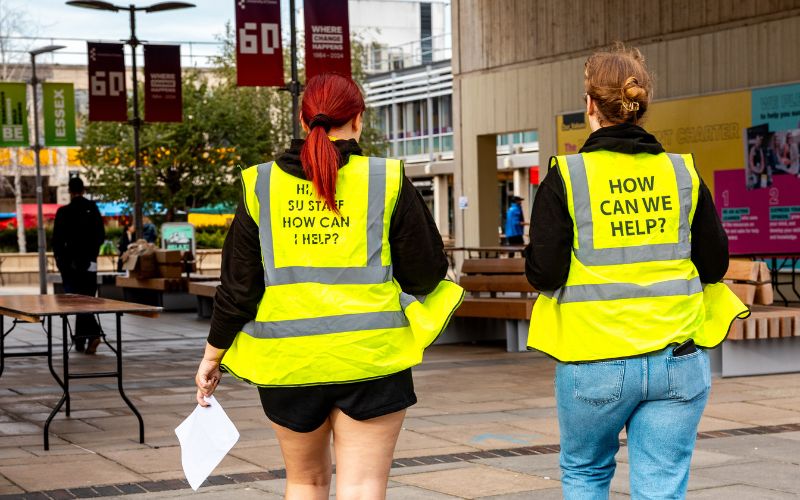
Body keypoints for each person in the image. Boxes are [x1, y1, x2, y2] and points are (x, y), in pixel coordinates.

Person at [194, 73, 463, 500]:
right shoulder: (386, 179)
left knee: (304, 483)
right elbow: (426, 274)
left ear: (304, 122)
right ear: (358, 120)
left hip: (289, 364)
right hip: (371, 359)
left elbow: (238, 289)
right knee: (363, 486)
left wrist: (213, 357)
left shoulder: (260, 184)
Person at [524, 44, 748, 499]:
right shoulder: (682, 173)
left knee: (586, 472)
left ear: (589, 105)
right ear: (642, 106)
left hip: (594, 361)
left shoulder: (568, 176)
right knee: (661, 485)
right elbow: (714, 265)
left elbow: (544, 274)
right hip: (677, 359)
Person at [52, 177, 106, 354]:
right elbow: (100, 235)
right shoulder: (92, 208)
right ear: (83, 190)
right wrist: (92, 255)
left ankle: (90, 336)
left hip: (69, 266)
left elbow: (57, 241)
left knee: (76, 302)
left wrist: (61, 262)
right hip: (89, 263)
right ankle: (82, 340)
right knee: (87, 301)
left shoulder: (63, 212)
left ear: (69, 191)